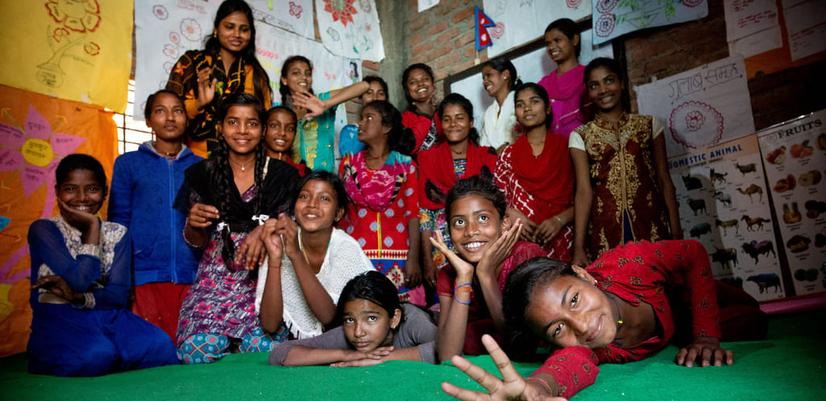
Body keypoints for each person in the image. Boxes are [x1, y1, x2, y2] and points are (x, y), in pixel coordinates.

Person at [441, 240, 768, 400]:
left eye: (574, 300)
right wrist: (536, 389)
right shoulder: (586, 347)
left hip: (685, 299)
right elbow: (564, 367)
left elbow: (694, 252)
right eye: (559, 328)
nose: (582, 326)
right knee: (751, 325)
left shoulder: (630, 263)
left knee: (754, 314)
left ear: (584, 275)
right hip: (677, 332)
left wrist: (706, 336)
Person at [27, 154, 178, 376]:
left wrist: (79, 298)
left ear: (105, 192)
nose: (82, 198)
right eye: (70, 189)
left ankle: (109, 353)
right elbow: (81, 280)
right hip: (59, 316)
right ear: (58, 191)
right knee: (96, 356)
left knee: (161, 347)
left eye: (92, 189)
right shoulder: (43, 230)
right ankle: (46, 354)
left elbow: (118, 295)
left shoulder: (118, 233)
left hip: (107, 314)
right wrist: (92, 228)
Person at [175, 94, 299, 364]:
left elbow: (293, 228)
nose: (242, 131)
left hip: (264, 282)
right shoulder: (201, 173)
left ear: (263, 129)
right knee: (197, 349)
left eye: (251, 123)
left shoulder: (283, 175)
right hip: (214, 283)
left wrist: (265, 228)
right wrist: (193, 224)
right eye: (233, 122)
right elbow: (195, 242)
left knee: (264, 351)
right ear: (221, 126)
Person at [108, 89, 202, 341]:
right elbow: (117, 224)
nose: (170, 118)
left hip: (191, 276)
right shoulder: (128, 164)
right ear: (149, 120)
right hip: (143, 275)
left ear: (186, 118)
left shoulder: (202, 166)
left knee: (187, 354)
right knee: (150, 352)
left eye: (178, 111)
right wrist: (120, 279)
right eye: (160, 111)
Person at [570, 57, 681, 266]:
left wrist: (677, 234)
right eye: (595, 86)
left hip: (651, 224)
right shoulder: (581, 136)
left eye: (609, 81)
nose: (603, 90)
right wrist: (578, 247)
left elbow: (665, 181)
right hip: (605, 230)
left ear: (621, 83)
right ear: (589, 93)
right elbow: (584, 192)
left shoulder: (649, 125)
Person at [430, 174, 544, 361]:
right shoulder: (451, 272)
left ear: (504, 223)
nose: (470, 231)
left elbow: (521, 346)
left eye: (482, 218)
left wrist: (486, 274)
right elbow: (447, 355)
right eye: (459, 222)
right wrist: (464, 277)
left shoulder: (526, 257)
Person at [256, 171, 374, 339]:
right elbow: (269, 325)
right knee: (261, 345)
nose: (312, 204)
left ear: (338, 213)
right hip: (291, 338)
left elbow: (329, 318)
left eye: (324, 198)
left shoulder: (345, 247)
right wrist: (275, 260)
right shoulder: (280, 239)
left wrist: (295, 255)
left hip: (338, 332)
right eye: (304, 197)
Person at [166, 0, 271, 157]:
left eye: (244, 29)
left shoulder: (256, 75)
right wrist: (199, 103)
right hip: (191, 159)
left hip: (240, 164)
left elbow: (265, 124)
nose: (236, 34)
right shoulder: (191, 63)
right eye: (229, 27)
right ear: (216, 29)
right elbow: (168, 115)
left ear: (250, 34)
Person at [339, 100, 421, 303]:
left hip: (399, 256)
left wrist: (413, 257)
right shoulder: (349, 164)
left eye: (368, 118)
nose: (360, 123)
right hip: (357, 255)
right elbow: (339, 212)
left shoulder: (405, 165)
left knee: (401, 319)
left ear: (386, 126)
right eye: (361, 118)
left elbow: (413, 214)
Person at [268, 271, 437, 366]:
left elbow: (449, 349)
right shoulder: (349, 335)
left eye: (371, 318)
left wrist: (379, 358)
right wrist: (347, 355)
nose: (358, 332)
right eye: (349, 320)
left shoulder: (413, 321)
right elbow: (280, 354)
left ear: (394, 318)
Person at [419, 94, 497, 288]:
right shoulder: (427, 159)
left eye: (459, 118)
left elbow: (497, 207)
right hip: (443, 245)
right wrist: (428, 261)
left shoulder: (487, 157)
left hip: (479, 237)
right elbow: (425, 214)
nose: (453, 124)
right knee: (449, 299)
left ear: (471, 122)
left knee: (484, 293)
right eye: (447, 119)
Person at [495, 83, 574, 261]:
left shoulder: (568, 148)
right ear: (516, 114)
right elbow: (495, 200)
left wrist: (559, 220)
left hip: (565, 237)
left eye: (534, 101)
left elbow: (584, 196)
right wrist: (511, 214)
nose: (527, 108)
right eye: (520, 104)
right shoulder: (507, 155)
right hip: (522, 240)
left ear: (547, 108)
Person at [278, 55, 371, 172]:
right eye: (296, 73)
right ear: (284, 80)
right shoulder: (281, 113)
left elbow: (364, 86)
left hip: (324, 181)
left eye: (307, 74)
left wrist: (327, 104)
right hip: (294, 182)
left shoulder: (322, 100)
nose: (304, 78)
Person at [537, 18, 588, 138]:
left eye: (557, 40)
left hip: (587, 148)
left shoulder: (589, 76)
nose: (551, 47)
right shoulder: (543, 85)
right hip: (554, 152)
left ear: (575, 40)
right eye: (548, 43)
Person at [339, 75, 389, 157]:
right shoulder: (349, 131)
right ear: (360, 97)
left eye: (380, 93)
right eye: (369, 93)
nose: (375, 98)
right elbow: (349, 161)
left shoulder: (392, 129)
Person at [479, 59, 520, 151]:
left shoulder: (520, 103)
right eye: (483, 78)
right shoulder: (488, 113)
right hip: (494, 164)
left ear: (505, 74)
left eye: (489, 75)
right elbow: (484, 148)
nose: (485, 81)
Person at [401, 63, 442, 154]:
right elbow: (406, 148)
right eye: (413, 82)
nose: (420, 84)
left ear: (433, 83)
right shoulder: (404, 119)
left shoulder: (444, 112)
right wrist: (425, 117)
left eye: (425, 79)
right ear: (407, 90)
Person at [264, 105, 307, 176]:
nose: (282, 133)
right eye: (274, 126)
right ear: (263, 129)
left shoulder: (301, 172)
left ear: (295, 134)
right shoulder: (250, 166)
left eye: (290, 129)